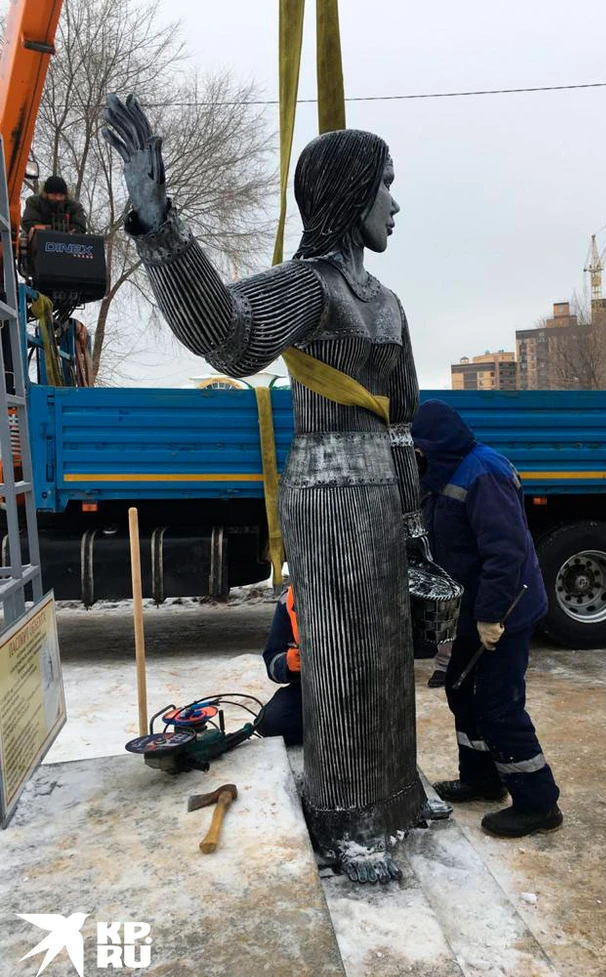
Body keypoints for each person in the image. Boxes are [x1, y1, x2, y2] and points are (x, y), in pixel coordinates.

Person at [103, 95, 447, 883]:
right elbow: (226, 333)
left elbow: (401, 423)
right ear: (350, 193)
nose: (395, 203)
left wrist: (415, 530)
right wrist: (161, 227)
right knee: (341, 656)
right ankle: (348, 811)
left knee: (390, 652)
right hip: (326, 496)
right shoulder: (309, 287)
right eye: (385, 184)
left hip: (382, 496)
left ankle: (395, 790)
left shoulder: (387, 303)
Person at [412, 399, 562, 838]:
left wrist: (491, 616)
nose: (413, 460)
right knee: (461, 691)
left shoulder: (484, 474)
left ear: (432, 444)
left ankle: (538, 803)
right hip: (469, 610)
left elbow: (507, 553)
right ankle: (482, 778)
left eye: (416, 451)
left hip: (504, 613)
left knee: (498, 706)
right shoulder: (440, 470)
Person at [257, 586, 303, 746]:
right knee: (270, 722)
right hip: (312, 688)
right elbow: (272, 656)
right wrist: (286, 664)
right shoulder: (289, 598)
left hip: (372, 684)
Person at [21, 176, 87, 236]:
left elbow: (80, 227)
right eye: (54, 195)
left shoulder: (75, 207)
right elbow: (29, 224)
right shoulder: (34, 202)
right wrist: (65, 229)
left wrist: (48, 228)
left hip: (69, 243)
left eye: (61, 195)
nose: (57, 198)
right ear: (46, 194)